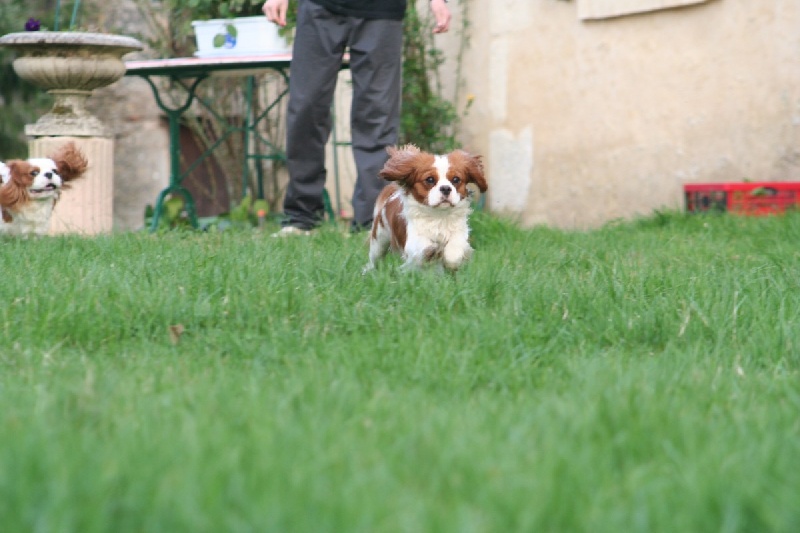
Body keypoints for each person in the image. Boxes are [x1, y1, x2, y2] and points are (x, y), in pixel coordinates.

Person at [263, 0, 452, 235]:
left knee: (377, 119)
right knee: (305, 108)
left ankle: (370, 222)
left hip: (381, 11)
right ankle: (301, 217)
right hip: (319, 7)